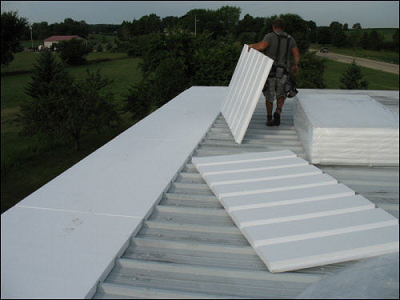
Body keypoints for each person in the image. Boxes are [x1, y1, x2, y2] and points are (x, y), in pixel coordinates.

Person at [248, 18, 300, 126]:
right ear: (283, 27)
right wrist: (295, 65)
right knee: (282, 93)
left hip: (271, 71)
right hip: (284, 71)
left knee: (269, 95)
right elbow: (296, 54)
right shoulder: (290, 39)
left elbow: (262, 46)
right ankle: (278, 111)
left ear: (273, 27)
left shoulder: (270, 36)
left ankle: (269, 118)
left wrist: (252, 46)